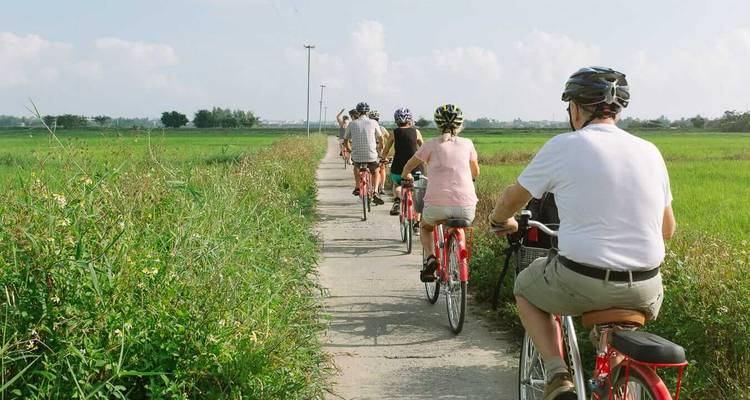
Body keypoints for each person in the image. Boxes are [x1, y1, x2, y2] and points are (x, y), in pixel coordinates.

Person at [488, 67, 676, 400]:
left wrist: (499, 220)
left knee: (525, 290)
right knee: (616, 324)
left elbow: (512, 198)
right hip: (647, 287)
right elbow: (668, 229)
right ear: (618, 109)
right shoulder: (651, 151)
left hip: (582, 280)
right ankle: (615, 378)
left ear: (575, 109)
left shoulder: (564, 146)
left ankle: (557, 375)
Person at [401, 104, 479, 282]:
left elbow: (409, 166)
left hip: (436, 206)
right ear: (460, 125)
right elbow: (476, 172)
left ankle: (430, 258)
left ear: (437, 124)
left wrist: (406, 176)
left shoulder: (430, 145)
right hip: (466, 208)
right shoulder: (468, 144)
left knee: (425, 227)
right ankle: (458, 257)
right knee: (458, 220)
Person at [381, 108, 424, 218]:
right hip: (416, 168)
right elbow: (424, 148)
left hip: (398, 168)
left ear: (396, 120)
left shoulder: (394, 133)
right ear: (410, 119)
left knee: (397, 184)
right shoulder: (416, 132)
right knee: (418, 194)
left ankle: (397, 200)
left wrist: (383, 158)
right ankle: (417, 223)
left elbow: (386, 150)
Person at [343, 102, 385, 205]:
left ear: (357, 112)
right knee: (376, 171)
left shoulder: (352, 123)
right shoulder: (373, 122)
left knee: (356, 167)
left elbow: (345, 140)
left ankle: (358, 186)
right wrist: (380, 147)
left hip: (357, 155)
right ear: (367, 112)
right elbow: (381, 137)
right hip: (371, 155)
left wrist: (349, 150)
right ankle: (375, 191)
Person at [368, 109, 390, 195]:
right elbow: (389, 139)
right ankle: (382, 187)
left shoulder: (368, 128)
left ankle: (374, 187)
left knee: (372, 170)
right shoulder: (382, 129)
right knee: (382, 169)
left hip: (371, 151)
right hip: (380, 151)